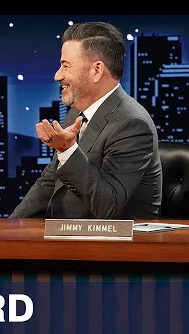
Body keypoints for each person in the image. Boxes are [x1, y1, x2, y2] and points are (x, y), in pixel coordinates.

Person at [9, 21, 162, 220]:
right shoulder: (76, 114)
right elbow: (49, 183)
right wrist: (9, 227)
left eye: (66, 66)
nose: (57, 75)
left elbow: (108, 207)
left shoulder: (132, 125)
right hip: (68, 233)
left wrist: (67, 150)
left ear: (96, 70)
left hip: (115, 239)